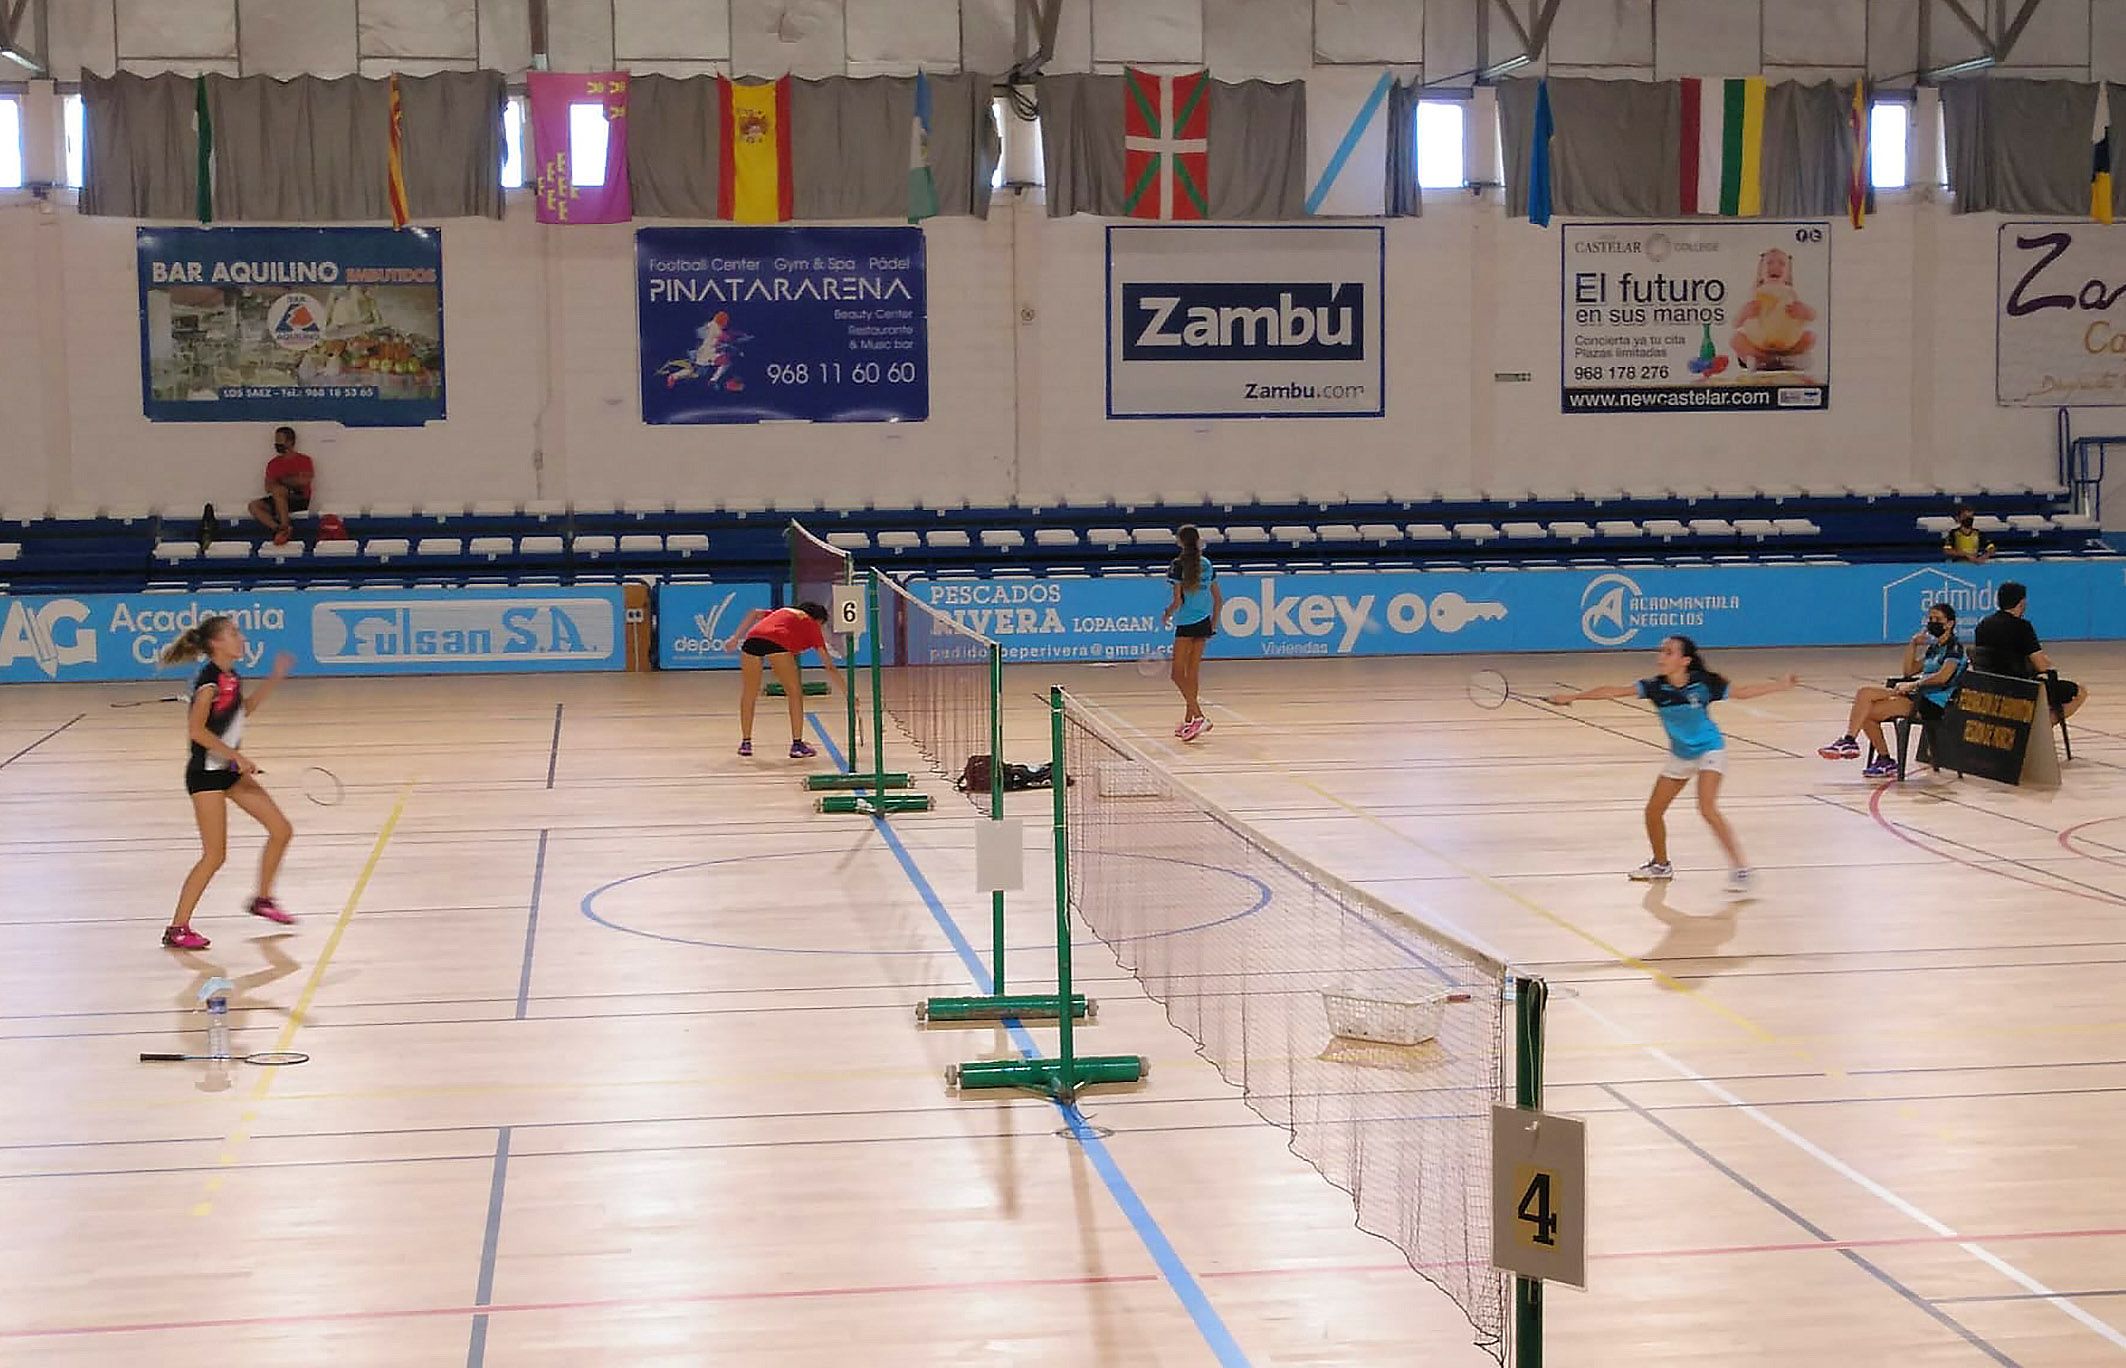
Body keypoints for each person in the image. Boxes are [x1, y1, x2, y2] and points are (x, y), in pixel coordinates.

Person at [1548, 637, 1799, 894]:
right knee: (1653, 812)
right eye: (1661, 652)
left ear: (1685, 661)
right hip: (1681, 755)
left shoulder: (1705, 684)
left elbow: (1742, 693)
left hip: (1709, 749)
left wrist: (1782, 685)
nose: (1661, 657)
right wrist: (1572, 696)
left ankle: (1742, 869)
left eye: (1668, 653)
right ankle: (1661, 865)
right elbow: (1613, 690)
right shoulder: (1654, 687)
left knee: (1707, 807)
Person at [159, 615, 297, 951]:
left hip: (228, 771)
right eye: (234, 634)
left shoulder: (230, 676)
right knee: (214, 855)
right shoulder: (209, 682)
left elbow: (241, 711)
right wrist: (235, 757)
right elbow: (196, 731)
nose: (242, 638)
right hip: (206, 774)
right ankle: (177, 928)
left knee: (281, 830)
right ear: (217, 643)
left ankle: (262, 899)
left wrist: (274, 679)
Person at [1818, 602, 1967, 778]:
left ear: (1950, 624)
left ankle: (1860, 747)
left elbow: (1943, 677)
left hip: (1933, 703)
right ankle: (1874, 755)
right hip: (1916, 696)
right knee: (1864, 697)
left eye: (1938, 619)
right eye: (1930, 618)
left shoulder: (1954, 648)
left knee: (1865, 712)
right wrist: (1913, 645)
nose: (1932, 622)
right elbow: (1909, 671)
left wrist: (1914, 685)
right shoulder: (1935, 648)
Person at [730, 602, 845, 759]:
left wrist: (736, 638)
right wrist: (848, 694)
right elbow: (829, 666)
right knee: (794, 693)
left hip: (752, 640)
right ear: (818, 619)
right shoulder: (811, 624)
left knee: (749, 692)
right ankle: (797, 745)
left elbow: (754, 612)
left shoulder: (782, 612)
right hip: (778, 643)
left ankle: (745, 743)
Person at [1973, 580, 2088, 723]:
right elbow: (2042, 666)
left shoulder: (1983, 625)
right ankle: (2038, 730)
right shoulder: (2022, 627)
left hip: (1990, 687)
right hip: (2021, 688)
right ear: (2021, 603)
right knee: (2080, 692)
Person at [1160, 525, 1223, 742]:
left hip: (1186, 623)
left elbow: (1177, 601)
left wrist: (1166, 614)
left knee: (1177, 674)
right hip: (1204, 622)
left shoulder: (1177, 565)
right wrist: (1213, 623)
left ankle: (1199, 715)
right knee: (1192, 672)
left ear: (1180, 541)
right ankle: (1189, 721)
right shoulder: (1207, 564)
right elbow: (1218, 599)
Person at [248, 426, 316, 546]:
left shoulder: (304, 460)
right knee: (254, 506)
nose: (277, 443)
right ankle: (279, 528)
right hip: (278, 497)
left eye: (280, 440)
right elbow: (268, 487)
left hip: (299, 498)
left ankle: (285, 526)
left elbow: (304, 480)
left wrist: (282, 481)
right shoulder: (273, 463)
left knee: (279, 490)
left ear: (290, 441)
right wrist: (290, 481)